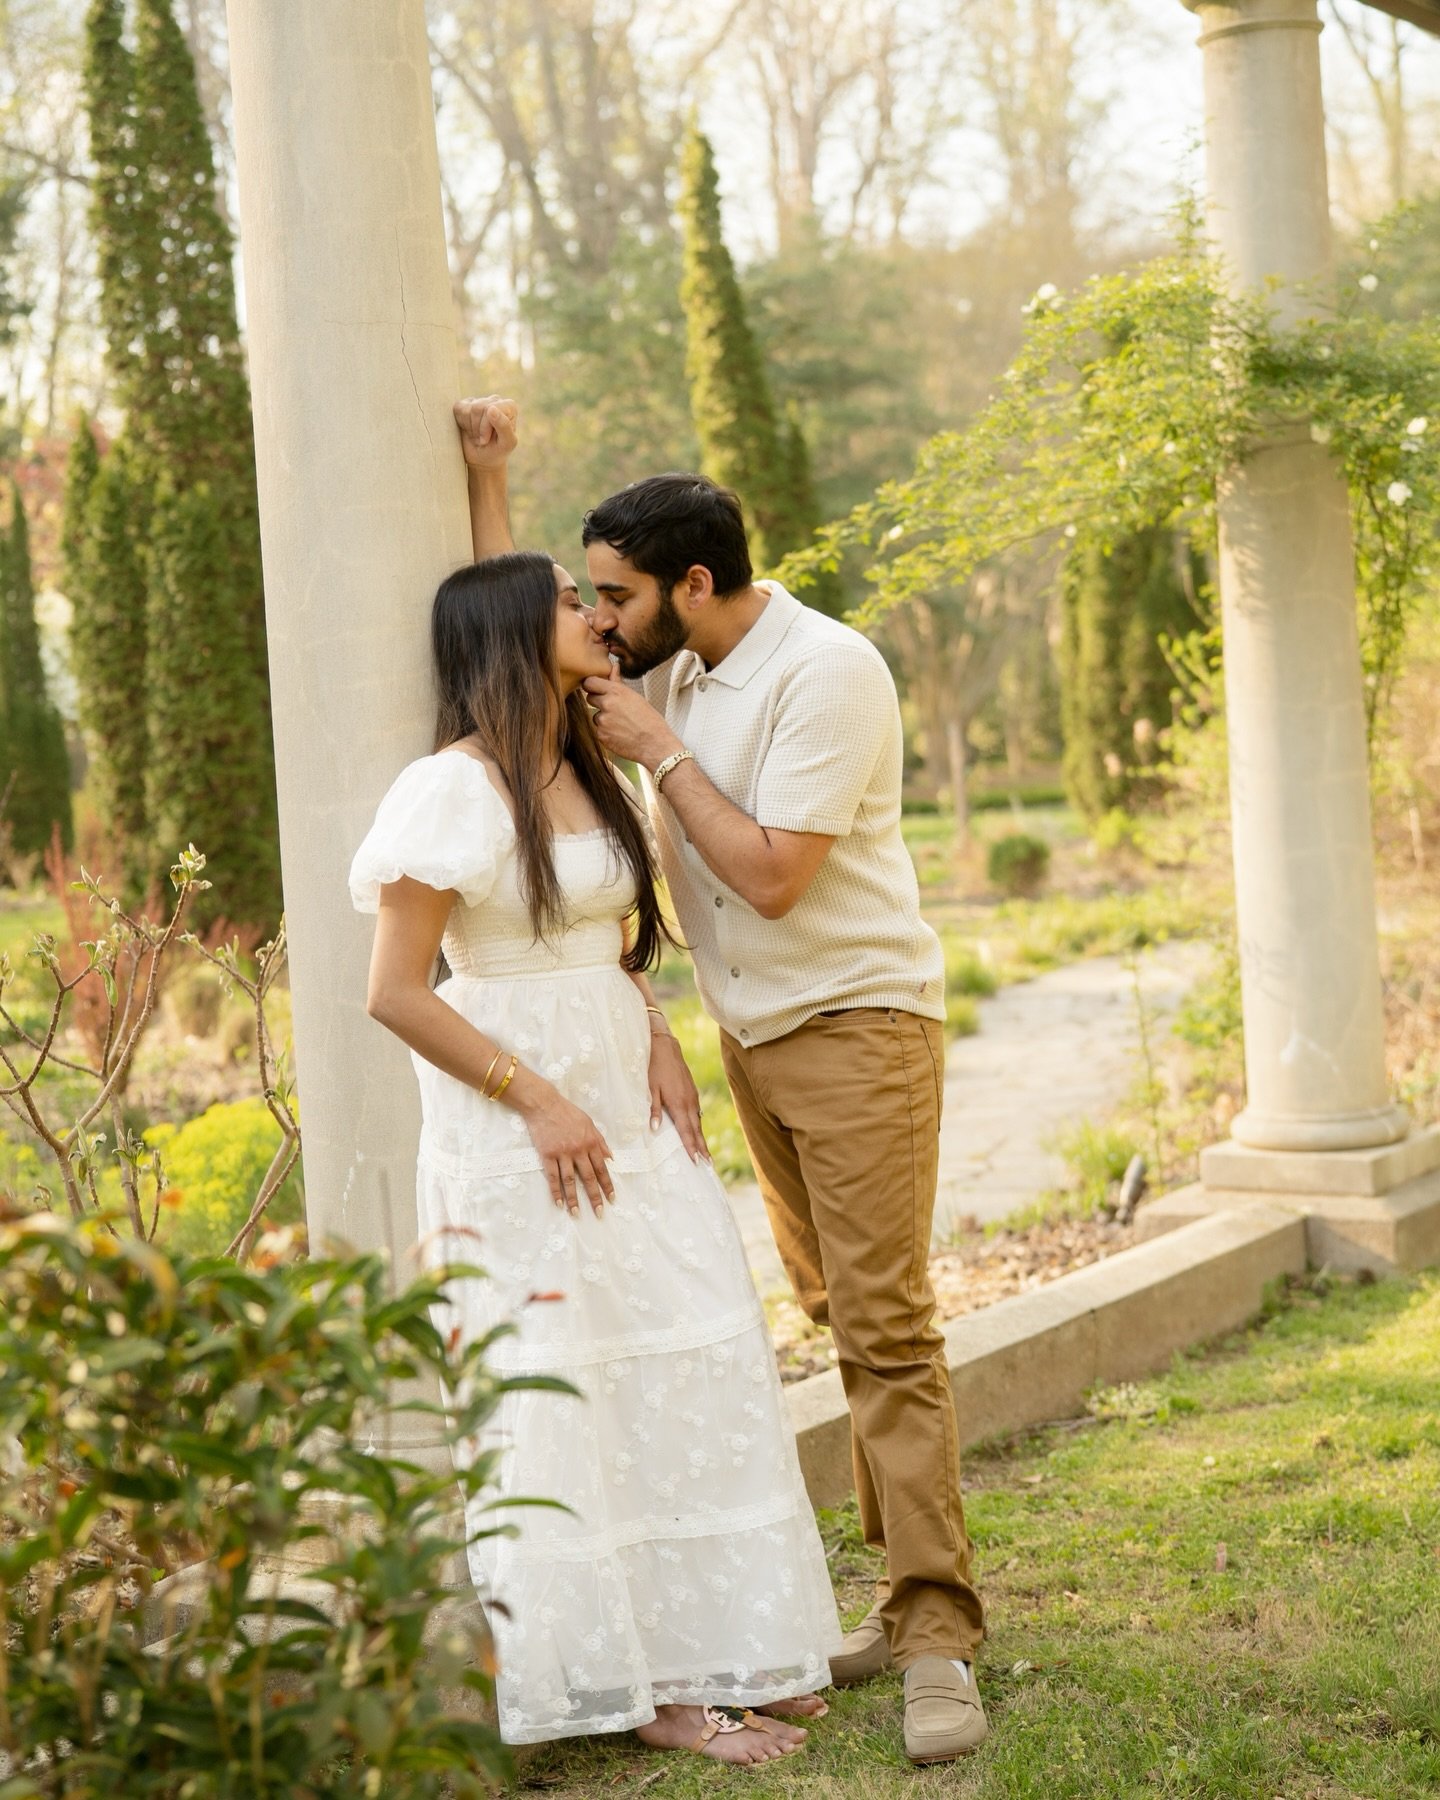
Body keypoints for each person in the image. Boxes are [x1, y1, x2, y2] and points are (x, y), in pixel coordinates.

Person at [455, 397, 989, 1765]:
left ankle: (938, 1641)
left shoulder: (829, 672)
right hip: (754, 1042)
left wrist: (663, 754)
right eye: (600, 600)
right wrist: (491, 483)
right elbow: (513, 629)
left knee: (883, 1329)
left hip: (858, 1027)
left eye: (622, 595)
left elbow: (768, 874)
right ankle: (899, 1598)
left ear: (697, 584)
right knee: (832, 1312)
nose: (606, 622)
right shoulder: (669, 670)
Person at [348, 549, 841, 1760]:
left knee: (676, 1357)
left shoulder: (579, 763)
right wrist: (538, 1100)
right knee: (567, 1377)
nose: (596, 615)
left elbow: (607, 944)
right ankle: (649, 1697)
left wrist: (654, 1033)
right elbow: (397, 994)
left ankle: (715, 1645)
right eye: (571, 602)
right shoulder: (446, 792)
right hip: (519, 1126)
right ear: (519, 631)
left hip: (627, 1093)